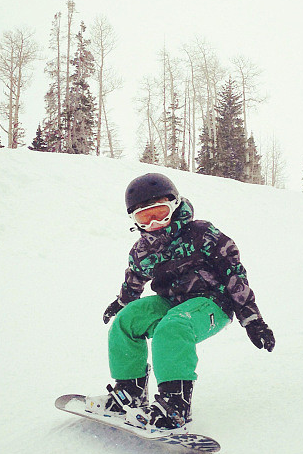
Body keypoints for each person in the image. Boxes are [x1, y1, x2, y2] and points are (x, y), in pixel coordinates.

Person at [87, 172, 275, 431]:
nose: (154, 223)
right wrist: (122, 303)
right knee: (127, 321)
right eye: (144, 218)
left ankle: (175, 405)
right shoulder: (142, 250)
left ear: (174, 205)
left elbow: (234, 273)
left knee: (173, 326)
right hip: (172, 302)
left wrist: (252, 318)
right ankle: (130, 391)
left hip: (212, 302)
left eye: (159, 213)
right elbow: (135, 277)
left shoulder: (202, 234)